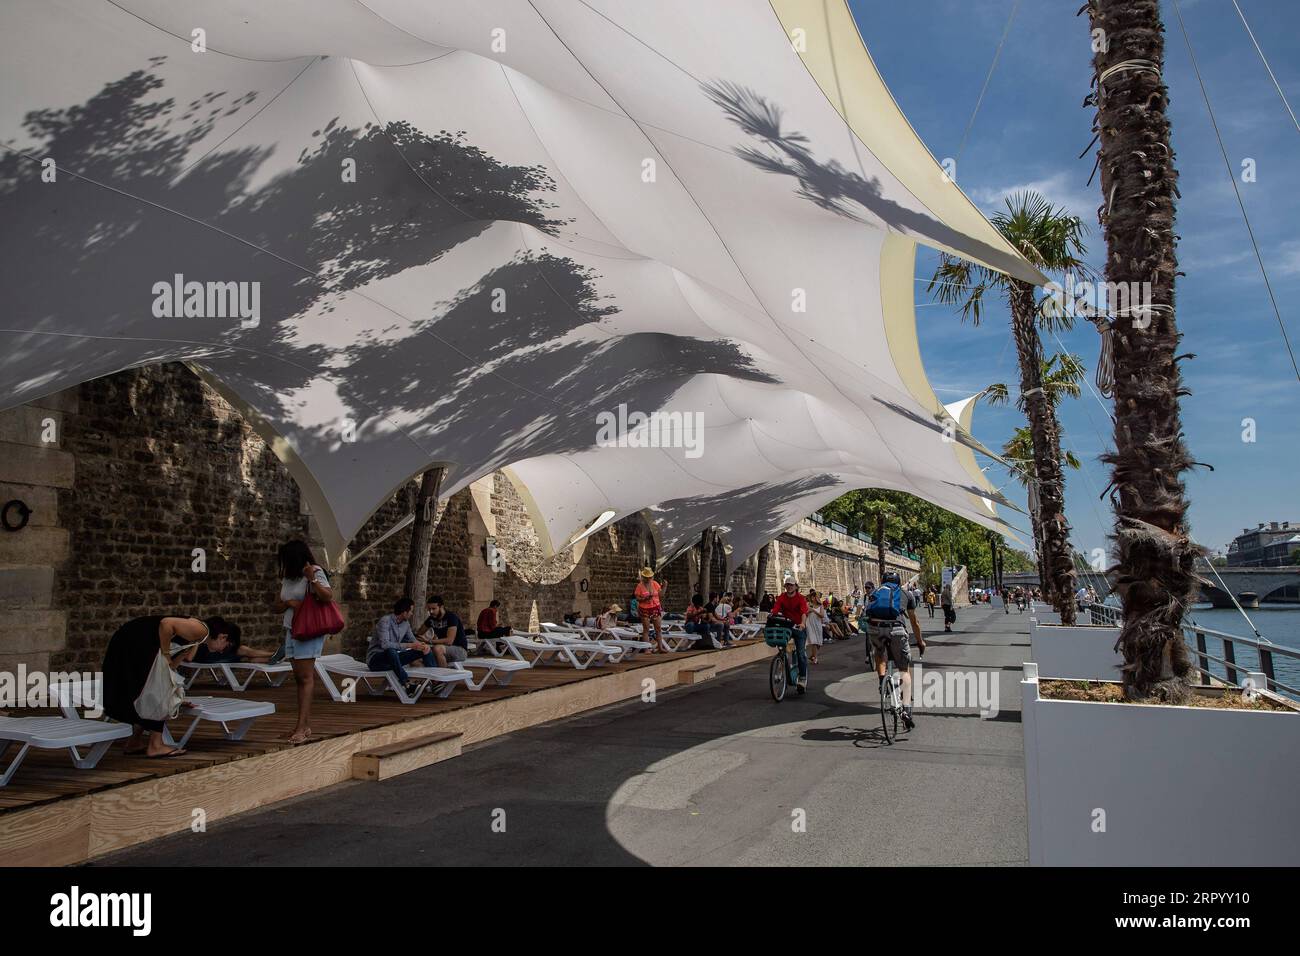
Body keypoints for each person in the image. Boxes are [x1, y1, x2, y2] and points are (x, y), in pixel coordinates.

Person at [103, 615, 210, 757]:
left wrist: (177, 700)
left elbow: (178, 664)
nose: (222, 651)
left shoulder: (193, 637)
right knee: (158, 692)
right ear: (222, 637)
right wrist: (165, 653)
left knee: (152, 691)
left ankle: (134, 742)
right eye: (226, 645)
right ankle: (155, 745)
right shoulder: (201, 629)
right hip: (135, 641)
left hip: (129, 640)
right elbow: (166, 623)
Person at [275, 539, 333, 744]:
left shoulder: (313, 571)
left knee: (306, 678)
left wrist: (313, 580)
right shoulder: (288, 577)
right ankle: (302, 725)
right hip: (292, 629)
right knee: (299, 679)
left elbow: (327, 596)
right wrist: (288, 604)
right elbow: (277, 604)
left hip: (309, 630)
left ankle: (302, 727)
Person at [859, 571, 921, 730]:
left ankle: (882, 681)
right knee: (904, 670)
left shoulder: (876, 592)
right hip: (896, 630)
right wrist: (920, 642)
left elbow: (867, 612)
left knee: (879, 653)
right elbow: (914, 622)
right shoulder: (906, 594)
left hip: (875, 629)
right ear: (899, 582)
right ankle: (906, 709)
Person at [367, 598, 436, 693]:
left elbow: (413, 640)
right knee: (391, 650)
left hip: (394, 660)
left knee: (425, 650)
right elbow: (385, 645)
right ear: (404, 612)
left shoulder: (406, 624)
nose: (412, 614)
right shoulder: (385, 621)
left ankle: (434, 682)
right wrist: (409, 645)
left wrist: (423, 646)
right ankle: (406, 684)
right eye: (411, 611)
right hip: (376, 661)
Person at [769, 577, 810, 693]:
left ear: (796, 586)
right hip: (787, 626)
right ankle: (782, 667)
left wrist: (802, 623)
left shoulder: (800, 598)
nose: (789, 587)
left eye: (791, 585)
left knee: (801, 653)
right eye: (787, 585)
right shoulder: (782, 597)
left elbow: (803, 613)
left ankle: (802, 678)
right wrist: (772, 615)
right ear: (785, 586)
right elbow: (776, 609)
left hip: (798, 626)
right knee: (781, 648)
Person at [191, 616, 274, 664]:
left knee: (243, 650)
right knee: (243, 651)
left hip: (218, 656)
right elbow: (189, 658)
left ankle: (273, 655)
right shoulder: (202, 639)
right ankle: (273, 655)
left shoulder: (212, 636)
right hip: (212, 657)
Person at [418, 595, 467, 667]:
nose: (431, 611)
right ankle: (430, 676)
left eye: (434, 609)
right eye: (429, 609)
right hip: (442, 648)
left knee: (438, 649)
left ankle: (444, 676)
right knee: (416, 655)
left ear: (441, 607)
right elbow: (419, 633)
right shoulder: (431, 619)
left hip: (459, 650)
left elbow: (449, 641)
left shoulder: (451, 617)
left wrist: (429, 641)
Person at [634, 567, 665, 652]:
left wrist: (665, 586)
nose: (648, 579)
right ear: (644, 577)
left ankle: (660, 647)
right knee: (646, 629)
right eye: (647, 577)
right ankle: (646, 649)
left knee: (658, 628)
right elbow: (637, 598)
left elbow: (661, 595)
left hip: (655, 607)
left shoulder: (655, 583)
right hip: (644, 609)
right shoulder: (640, 586)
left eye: (650, 577)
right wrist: (645, 599)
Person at [805, 589, 826, 663]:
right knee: (813, 641)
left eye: (814, 597)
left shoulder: (821, 606)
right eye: (811, 597)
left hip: (817, 624)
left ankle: (813, 655)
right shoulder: (808, 604)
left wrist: (813, 610)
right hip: (810, 624)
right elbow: (805, 614)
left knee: (818, 642)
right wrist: (808, 611)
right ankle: (815, 658)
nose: (812, 598)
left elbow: (822, 615)